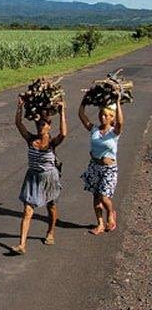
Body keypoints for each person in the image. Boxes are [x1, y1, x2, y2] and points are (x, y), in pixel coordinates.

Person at [11, 97, 67, 255]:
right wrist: (20, 108)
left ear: (49, 126)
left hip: (49, 179)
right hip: (33, 178)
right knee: (27, 210)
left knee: (51, 207)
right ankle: (22, 245)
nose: (40, 127)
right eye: (38, 124)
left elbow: (63, 134)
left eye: (43, 124)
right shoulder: (31, 140)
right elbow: (18, 124)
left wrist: (62, 111)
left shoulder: (52, 143)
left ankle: (50, 232)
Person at [78, 87, 124, 235]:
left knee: (104, 197)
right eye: (101, 115)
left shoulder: (114, 132)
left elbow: (121, 123)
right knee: (96, 197)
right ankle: (100, 224)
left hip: (109, 170)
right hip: (94, 167)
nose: (102, 118)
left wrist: (117, 102)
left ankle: (111, 212)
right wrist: (84, 101)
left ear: (111, 117)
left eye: (106, 115)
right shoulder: (94, 130)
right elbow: (82, 116)